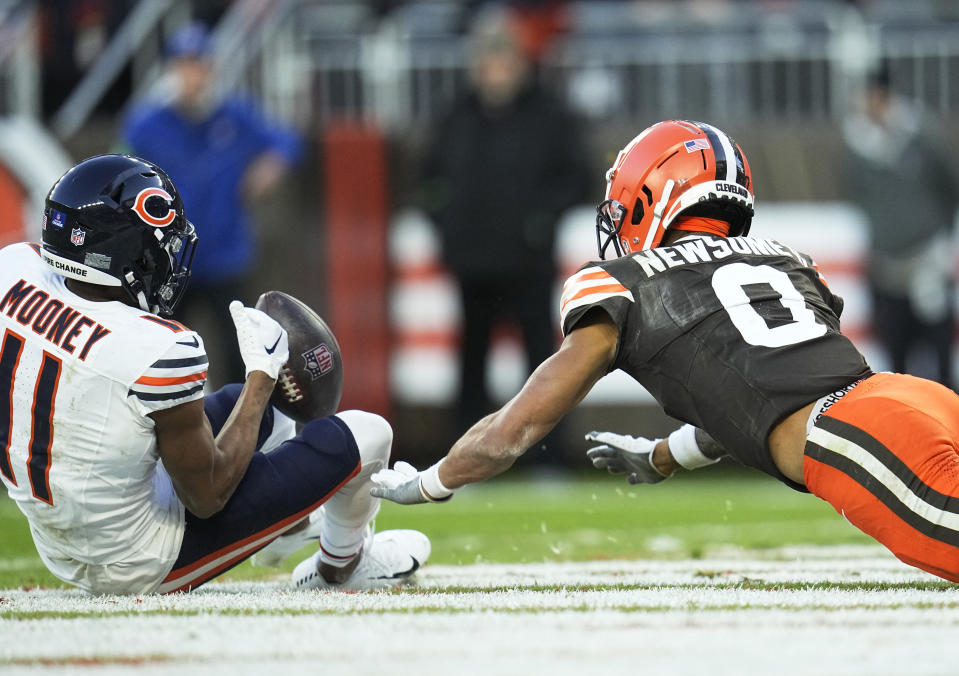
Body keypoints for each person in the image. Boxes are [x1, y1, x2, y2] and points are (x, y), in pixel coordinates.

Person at [372, 119, 959, 584]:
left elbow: (517, 428)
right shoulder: (784, 259)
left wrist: (432, 481)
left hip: (855, 434)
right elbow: (763, 392)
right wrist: (666, 454)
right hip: (909, 398)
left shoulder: (622, 282)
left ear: (652, 194)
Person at [0, 154, 429, 595]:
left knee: (271, 412)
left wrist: (261, 391)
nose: (165, 261)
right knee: (367, 433)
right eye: (158, 249)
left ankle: (288, 526)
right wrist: (262, 374)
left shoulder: (12, 271)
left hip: (60, 537)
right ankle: (342, 565)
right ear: (123, 253)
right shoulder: (158, 347)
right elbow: (206, 497)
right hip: (138, 561)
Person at [420, 6, 591, 454]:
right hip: (471, 260)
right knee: (470, 360)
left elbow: (578, 178)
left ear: (519, 63)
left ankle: (547, 456)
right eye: (487, 61)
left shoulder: (550, 114)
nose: (494, 72)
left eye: (503, 61)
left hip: (527, 261)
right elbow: (428, 181)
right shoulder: (455, 114)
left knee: (542, 362)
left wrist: (540, 221)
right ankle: (466, 453)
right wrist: (446, 226)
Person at [121, 21, 302, 388]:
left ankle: (243, 426)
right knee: (163, 350)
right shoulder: (147, 123)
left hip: (225, 255)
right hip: (169, 258)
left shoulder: (235, 115)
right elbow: (117, 167)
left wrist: (268, 168)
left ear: (211, 69)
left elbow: (287, 141)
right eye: (183, 66)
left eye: (199, 65)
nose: (192, 76)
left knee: (241, 349)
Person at [842, 65, 959, 389]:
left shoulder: (922, 136)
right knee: (896, 350)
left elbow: (949, 186)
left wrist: (938, 232)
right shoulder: (857, 146)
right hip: (885, 263)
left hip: (927, 260)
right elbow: (858, 196)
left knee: (938, 347)